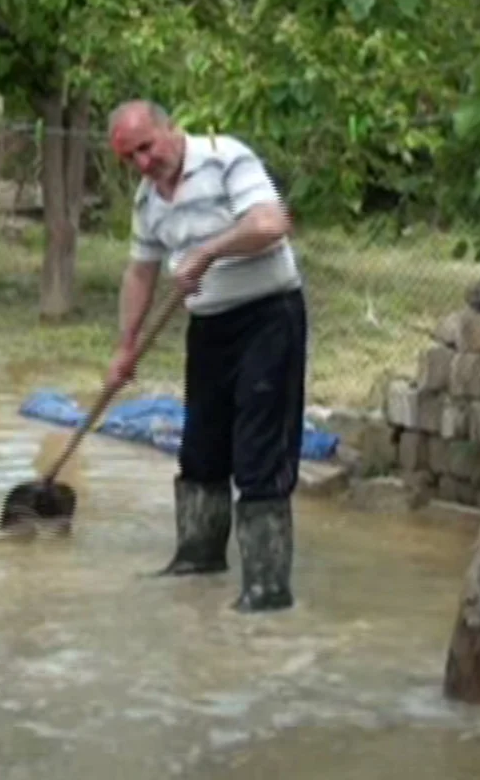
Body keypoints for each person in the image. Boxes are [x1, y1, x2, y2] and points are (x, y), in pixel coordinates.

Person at [105, 100, 308, 613]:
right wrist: (125, 347)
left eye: (147, 148)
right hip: (209, 326)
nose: (144, 164)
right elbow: (140, 272)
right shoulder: (148, 200)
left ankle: (266, 588)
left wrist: (210, 251)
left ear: (171, 129)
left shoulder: (225, 157)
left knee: (259, 451)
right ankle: (198, 558)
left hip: (269, 317)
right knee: (200, 448)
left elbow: (270, 222)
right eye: (132, 158)